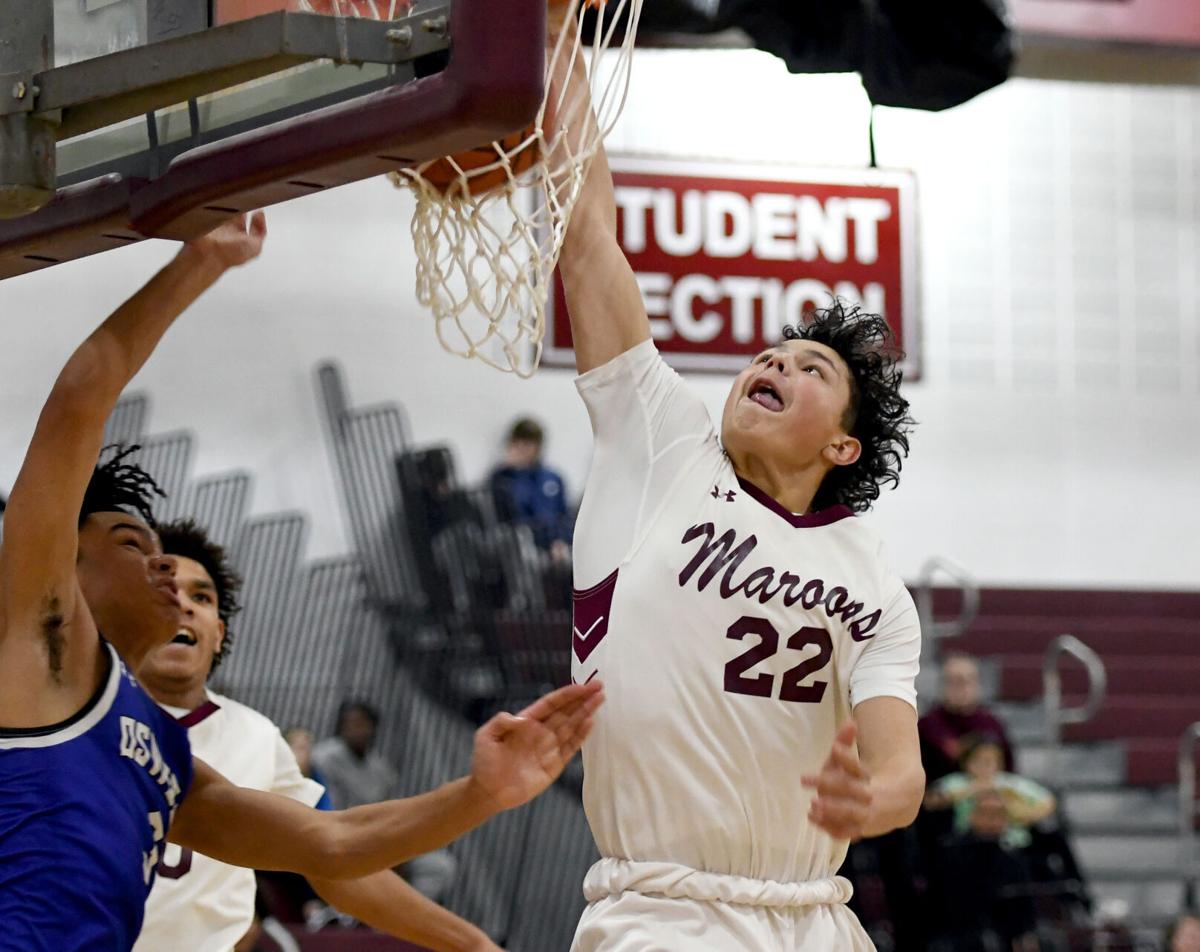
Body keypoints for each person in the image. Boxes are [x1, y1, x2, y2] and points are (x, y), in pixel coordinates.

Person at [0, 212, 602, 951]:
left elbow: (333, 845)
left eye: (197, 587)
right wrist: (203, 262)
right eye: (132, 543)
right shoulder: (36, 637)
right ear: (64, 563)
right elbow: (81, 398)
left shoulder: (164, 749)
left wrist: (480, 795)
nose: (162, 566)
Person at [551, 56, 925, 950]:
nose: (774, 364)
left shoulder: (871, 577)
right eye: (771, 355)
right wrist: (558, 44)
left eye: (811, 368)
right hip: (662, 911)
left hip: (817, 917)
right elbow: (590, 240)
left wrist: (875, 800)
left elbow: (900, 771)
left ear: (843, 445)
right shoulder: (662, 441)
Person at [134, 518, 500, 952]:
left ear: (219, 634)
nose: (186, 605)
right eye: (166, 590)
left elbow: (338, 857)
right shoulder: (77, 719)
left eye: (202, 596)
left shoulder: (257, 737)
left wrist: (473, 943)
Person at [313, 699, 460, 903]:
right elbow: (329, 811)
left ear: (373, 727)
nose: (356, 730)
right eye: (351, 723)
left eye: (362, 723)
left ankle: (403, 920)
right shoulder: (323, 758)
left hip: (379, 838)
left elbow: (390, 812)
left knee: (438, 865)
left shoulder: (381, 769)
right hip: (340, 838)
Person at [925, 788, 1039, 952]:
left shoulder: (1014, 857)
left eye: (999, 813)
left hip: (1002, 936)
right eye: (986, 812)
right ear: (972, 815)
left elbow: (1025, 910)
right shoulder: (948, 852)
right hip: (956, 937)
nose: (993, 819)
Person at [924, 735, 1056, 850]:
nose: (984, 766)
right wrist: (971, 790)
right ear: (966, 762)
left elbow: (1047, 800)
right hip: (965, 843)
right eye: (978, 760)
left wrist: (1020, 813)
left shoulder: (1008, 783)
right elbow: (930, 801)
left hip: (1012, 843)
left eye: (989, 761)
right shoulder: (958, 782)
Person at [919, 652, 1016, 783]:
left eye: (966, 680)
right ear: (941, 684)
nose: (960, 687)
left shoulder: (992, 725)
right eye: (952, 681)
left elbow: (1009, 773)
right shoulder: (927, 726)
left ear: (978, 683)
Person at [488, 417, 573, 562]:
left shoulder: (553, 478)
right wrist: (517, 471)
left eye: (528, 444)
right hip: (524, 549)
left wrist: (561, 540)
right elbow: (511, 516)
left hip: (557, 546)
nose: (522, 448)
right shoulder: (501, 479)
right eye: (518, 443)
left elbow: (564, 515)